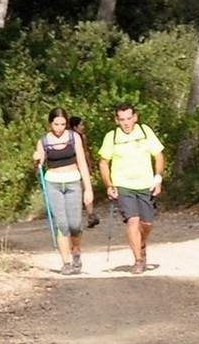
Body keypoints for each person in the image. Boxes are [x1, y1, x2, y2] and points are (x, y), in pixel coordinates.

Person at [97, 104, 166, 275]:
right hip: (123, 185)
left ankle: (141, 243)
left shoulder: (145, 132)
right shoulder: (112, 137)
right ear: (117, 120)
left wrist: (158, 177)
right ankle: (138, 260)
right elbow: (104, 162)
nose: (126, 123)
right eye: (122, 119)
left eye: (129, 118)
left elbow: (158, 155)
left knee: (147, 223)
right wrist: (109, 185)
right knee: (132, 221)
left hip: (145, 184)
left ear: (135, 117)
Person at [35, 111, 92, 274]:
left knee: (75, 225)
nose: (59, 128)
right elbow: (38, 170)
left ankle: (76, 251)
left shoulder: (74, 137)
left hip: (73, 181)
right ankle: (66, 262)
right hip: (53, 184)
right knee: (62, 225)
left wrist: (88, 188)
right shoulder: (44, 141)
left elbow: (82, 162)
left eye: (62, 124)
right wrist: (36, 160)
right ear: (50, 124)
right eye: (56, 124)